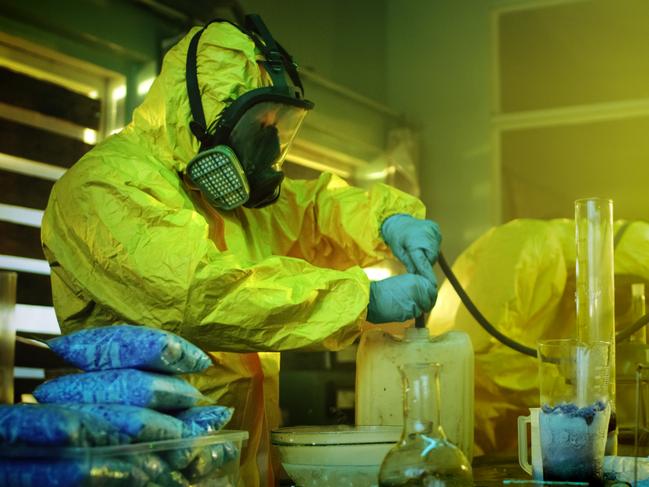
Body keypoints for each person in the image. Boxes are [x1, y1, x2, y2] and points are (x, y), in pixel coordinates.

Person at [41, 15, 441, 486]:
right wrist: (362, 300)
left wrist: (387, 220)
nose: (268, 142)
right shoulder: (104, 186)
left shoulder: (228, 199)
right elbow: (197, 293)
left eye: (279, 124)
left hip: (239, 466)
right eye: (258, 124)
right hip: (144, 465)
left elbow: (312, 210)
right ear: (204, 115)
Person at [428, 218, 649, 456]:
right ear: (608, 267)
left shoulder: (577, 301)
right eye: (627, 296)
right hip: (449, 412)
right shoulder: (527, 241)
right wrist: (572, 385)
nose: (623, 316)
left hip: (506, 424)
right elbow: (483, 351)